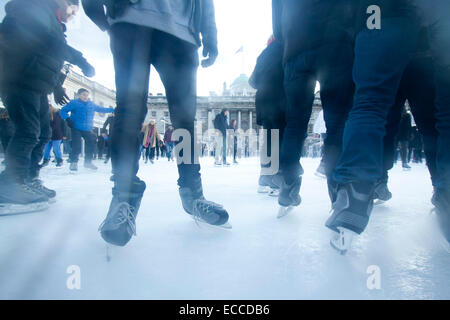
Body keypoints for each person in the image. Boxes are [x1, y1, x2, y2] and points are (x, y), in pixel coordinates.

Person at [84, 0, 230, 247]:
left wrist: (210, 34)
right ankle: (124, 195)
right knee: (129, 111)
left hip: (182, 32)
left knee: (184, 119)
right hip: (130, 18)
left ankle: (193, 193)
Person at [0, 0, 96, 211]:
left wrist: (57, 85)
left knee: (43, 133)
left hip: (36, 86)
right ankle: (9, 186)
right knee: (28, 132)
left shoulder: (54, 21)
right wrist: (79, 59)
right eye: (73, 9)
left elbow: (47, 56)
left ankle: (28, 179)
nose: (73, 15)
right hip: (19, 80)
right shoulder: (34, 8)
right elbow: (47, 43)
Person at [272, 0, 356, 217]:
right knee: (337, 123)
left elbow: (276, 25)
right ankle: (338, 195)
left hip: (295, 48)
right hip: (336, 43)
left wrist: (290, 37)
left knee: (294, 124)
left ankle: (288, 188)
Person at [249, 36, 285, 196]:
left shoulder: (263, 56)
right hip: (279, 100)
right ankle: (275, 182)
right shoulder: (286, 48)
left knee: (269, 140)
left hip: (264, 102)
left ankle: (264, 179)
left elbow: (253, 82)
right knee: (278, 141)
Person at [60, 88, 114, 171]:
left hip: (87, 128)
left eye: (87, 95)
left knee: (92, 142)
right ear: (78, 95)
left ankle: (88, 162)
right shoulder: (74, 103)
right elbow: (63, 111)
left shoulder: (91, 104)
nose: (85, 97)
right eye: (83, 95)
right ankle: (74, 162)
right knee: (77, 145)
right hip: (76, 127)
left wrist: (113, 109)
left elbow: (101, 109)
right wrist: (67, 119)